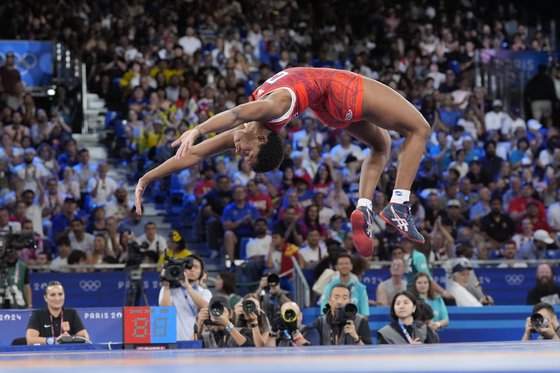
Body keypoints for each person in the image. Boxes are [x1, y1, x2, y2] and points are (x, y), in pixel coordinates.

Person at [136, 67, 432, 258]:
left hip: (325, 108)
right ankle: (399, 205)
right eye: (247, 156)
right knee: (419, 129)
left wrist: (148, 177)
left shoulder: (250, 127)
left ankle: (364, 208)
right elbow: (227, 124)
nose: (239, 153)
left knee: (381, 145)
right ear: (263, 140)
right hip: (338, 89)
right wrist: (193, 133)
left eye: (244, 156)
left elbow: (202, 148)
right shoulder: (272, 110)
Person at [159, 254, 212, 341]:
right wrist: (166, 287)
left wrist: (187, 287)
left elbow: (206, 307)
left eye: (196, 267)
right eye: (188, 267)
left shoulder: (205, 293)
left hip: (196, 339)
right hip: (174, 339)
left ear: (201, 272)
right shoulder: (168, 289)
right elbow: (164, 312)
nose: (192, 269)